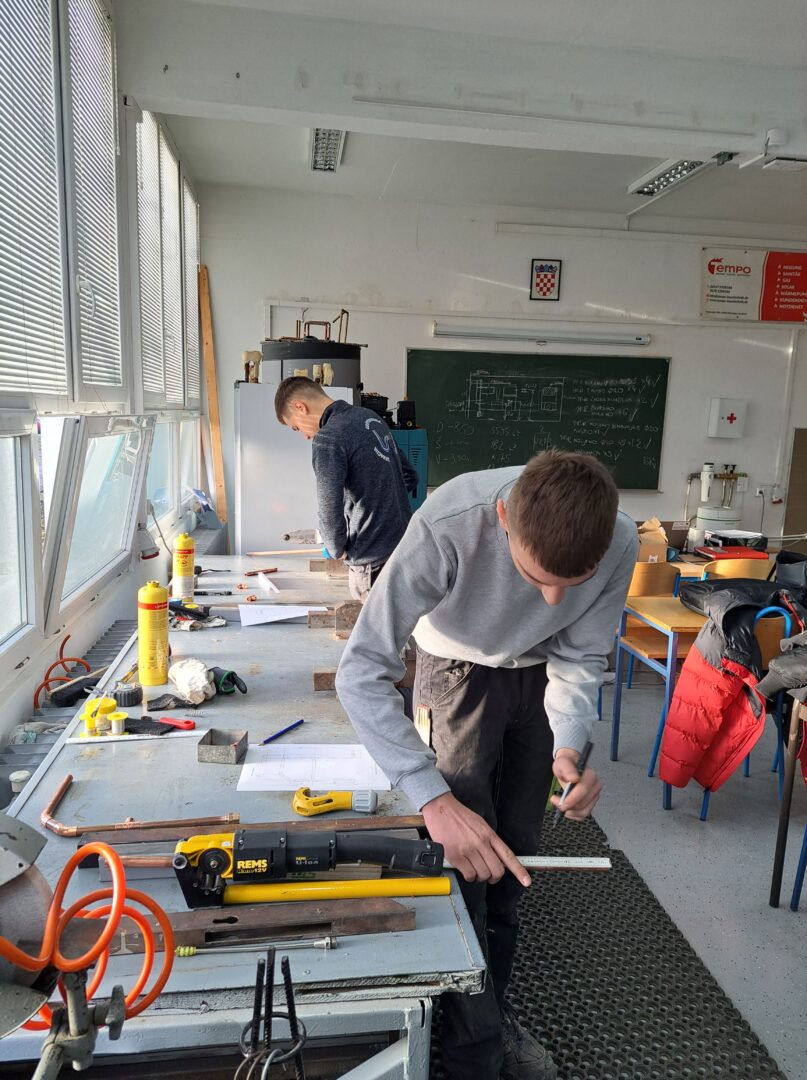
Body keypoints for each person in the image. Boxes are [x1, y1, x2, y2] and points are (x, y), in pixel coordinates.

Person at [335, 451, 638, 1080]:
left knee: (515, 861)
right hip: (455, 672)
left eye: (572, 583)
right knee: (462, 868)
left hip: (540, 679)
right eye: (534, 577)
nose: (551, 600)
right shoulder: (449, 523)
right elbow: (360, 671)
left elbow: (581, 656)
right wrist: (431, 797)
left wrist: (569, 746)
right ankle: (470, 1052)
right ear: (503, 518)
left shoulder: (621, 540)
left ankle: (492, 1014)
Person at [274, 376, 418, 601]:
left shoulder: (328, 438)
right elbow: (409, 475)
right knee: (402, 620)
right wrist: (381, 502)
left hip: (370, 561)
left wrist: (335, 548)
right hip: (404, 548)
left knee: (375, 624)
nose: (305, 436)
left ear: (300, 407)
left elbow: (329, 507)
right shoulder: (370, 418)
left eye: (296, 427)